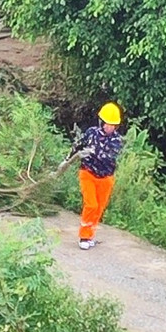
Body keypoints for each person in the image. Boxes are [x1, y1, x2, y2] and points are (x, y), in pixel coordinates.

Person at [72, 103, 124, 249]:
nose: (109, 127)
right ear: (101, 122)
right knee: (91, 205)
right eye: (107, 123)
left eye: (113, 125)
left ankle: (90, 236)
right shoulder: (91, 133)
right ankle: (83, 237)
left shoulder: (117, 141)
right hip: (88, 173)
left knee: (99, 208)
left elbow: (107, 156)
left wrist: (92, 152)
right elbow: (78, 146)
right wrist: (67, 159)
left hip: (106, 177)